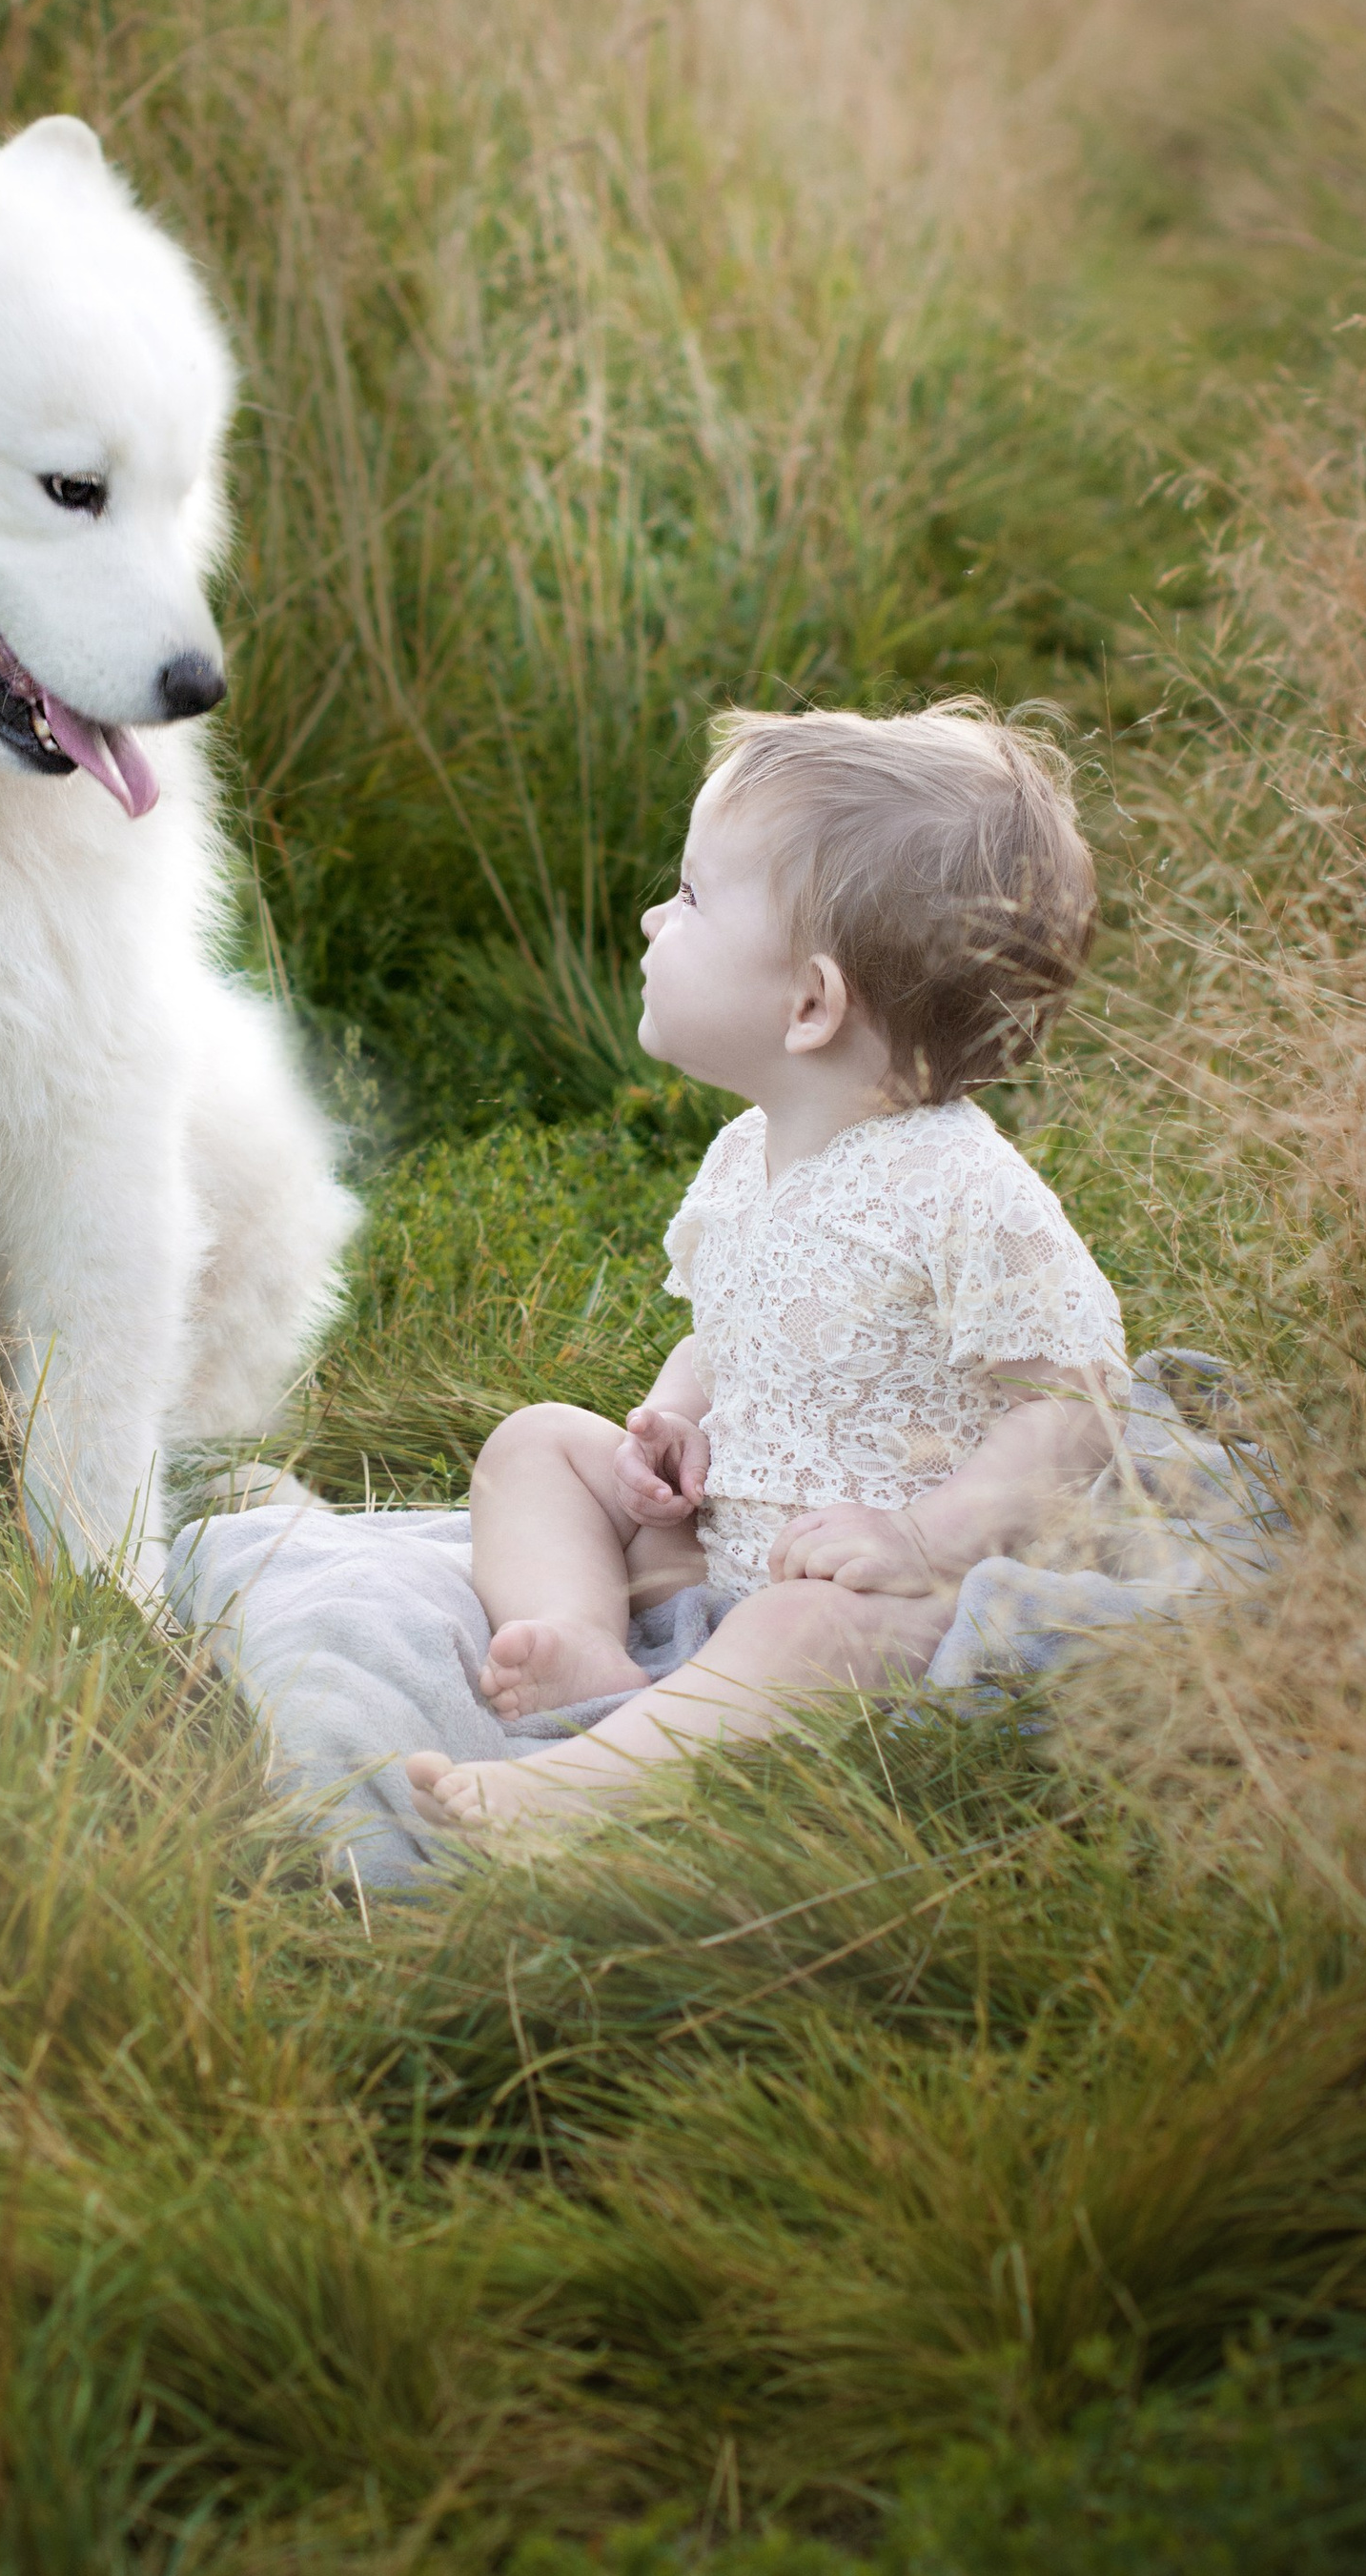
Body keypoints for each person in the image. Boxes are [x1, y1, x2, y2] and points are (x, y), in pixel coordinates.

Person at [404, 700, 1130, 1838]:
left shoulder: (959, 1191)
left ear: (810, 1004)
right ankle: (595, 1653)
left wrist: (923, 1540)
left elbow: (1073, 1401)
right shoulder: (748, 1153)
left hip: (872, 1596)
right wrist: (672, 1417)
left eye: (690, 898)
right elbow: (732, 1323)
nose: (653, 916)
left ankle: (577, 1794)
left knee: (801, 1634)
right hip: (722, 1539)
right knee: (537, 1442)